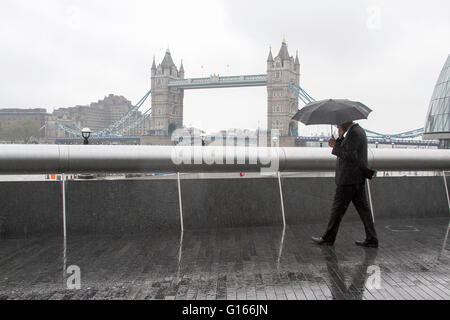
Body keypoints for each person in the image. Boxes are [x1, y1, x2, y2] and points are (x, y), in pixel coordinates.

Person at [312, 121, 378, 248]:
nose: (337, 126)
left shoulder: (354, 133)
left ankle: (328, 238)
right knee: (364, 210)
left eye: (338, 124)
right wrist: (340, 138)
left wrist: (334, 146)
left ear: (346, 122)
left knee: (337, 210)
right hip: (356, 178)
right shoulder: (357, 131)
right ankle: (372, 238)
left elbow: (350, 156)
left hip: (349, 179)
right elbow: (350, 151)